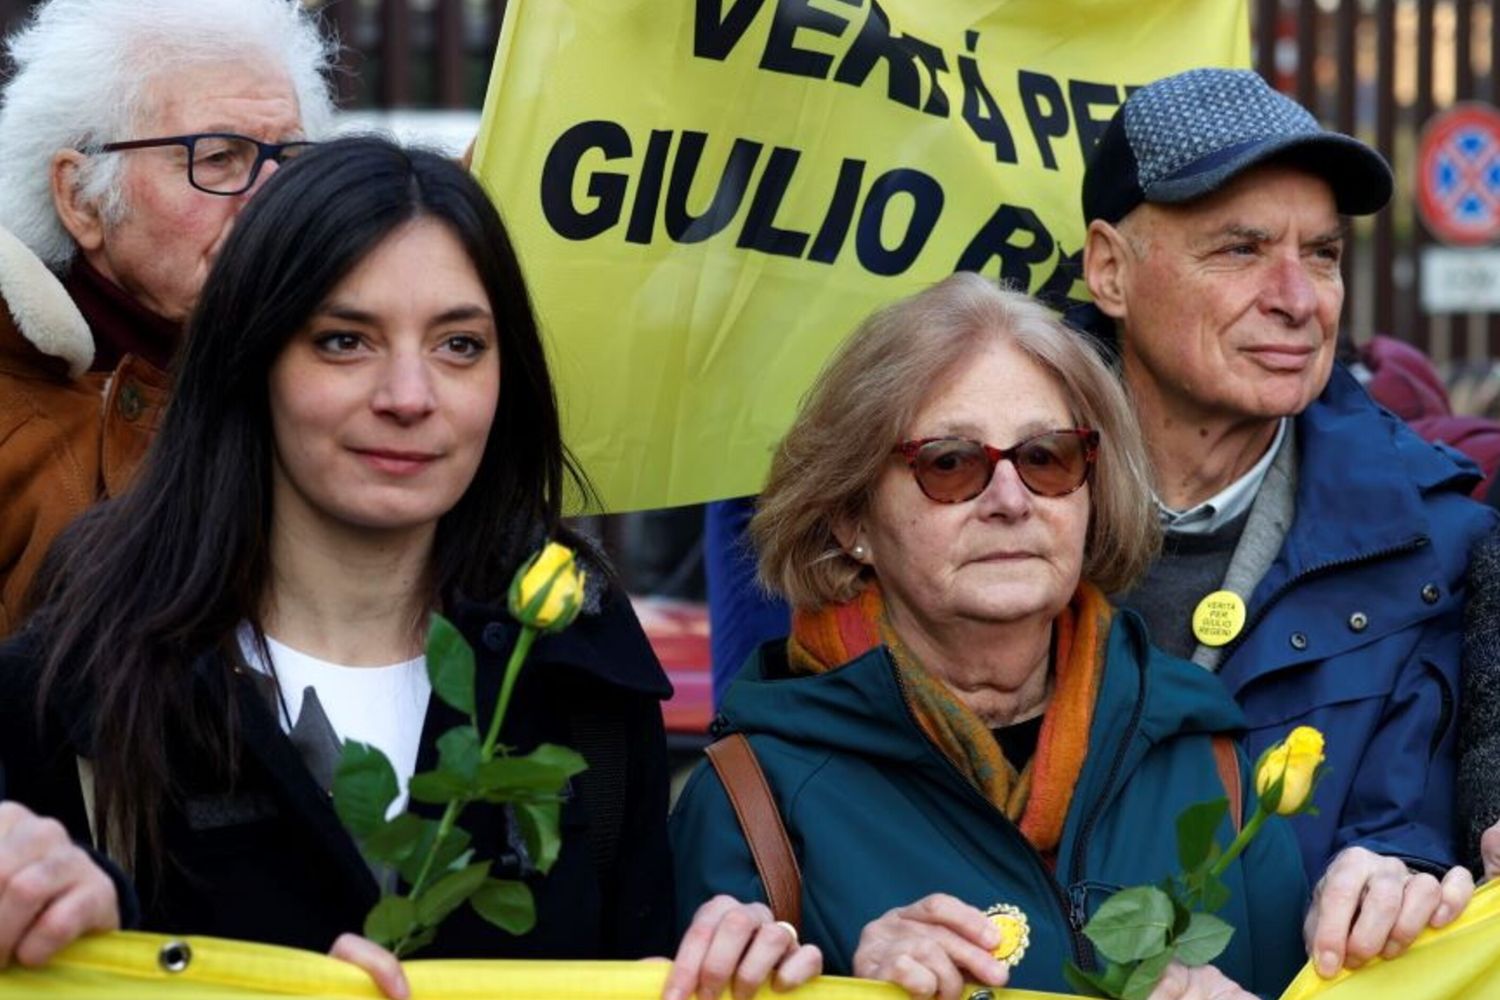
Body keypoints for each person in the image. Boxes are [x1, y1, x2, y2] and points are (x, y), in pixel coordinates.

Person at [0, 138, 819, 999]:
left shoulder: (582, 667)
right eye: (345, 341)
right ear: (251, 360)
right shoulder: (74, 682)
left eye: (459, 345)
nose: (409, 395)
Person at [672, 275, 1309, 998]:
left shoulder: (1208, 760)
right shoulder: (753, 801)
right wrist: (851, 986)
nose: (1009, 501)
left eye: (1046, 458)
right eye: (949, 464)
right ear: (852, 522)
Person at [1076, 67, 1497, 978]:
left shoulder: (1440, 541)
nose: (1300, 299)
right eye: (1240, 249)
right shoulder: (969, 521)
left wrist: (1408, 876)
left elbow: (1425, 820)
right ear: (1110, 269)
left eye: (1323, 254)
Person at [0, 0, 335, 636]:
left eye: (287, 162)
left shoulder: (351, 381)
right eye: (217, 158)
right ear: (82, 197)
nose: (268, 201)